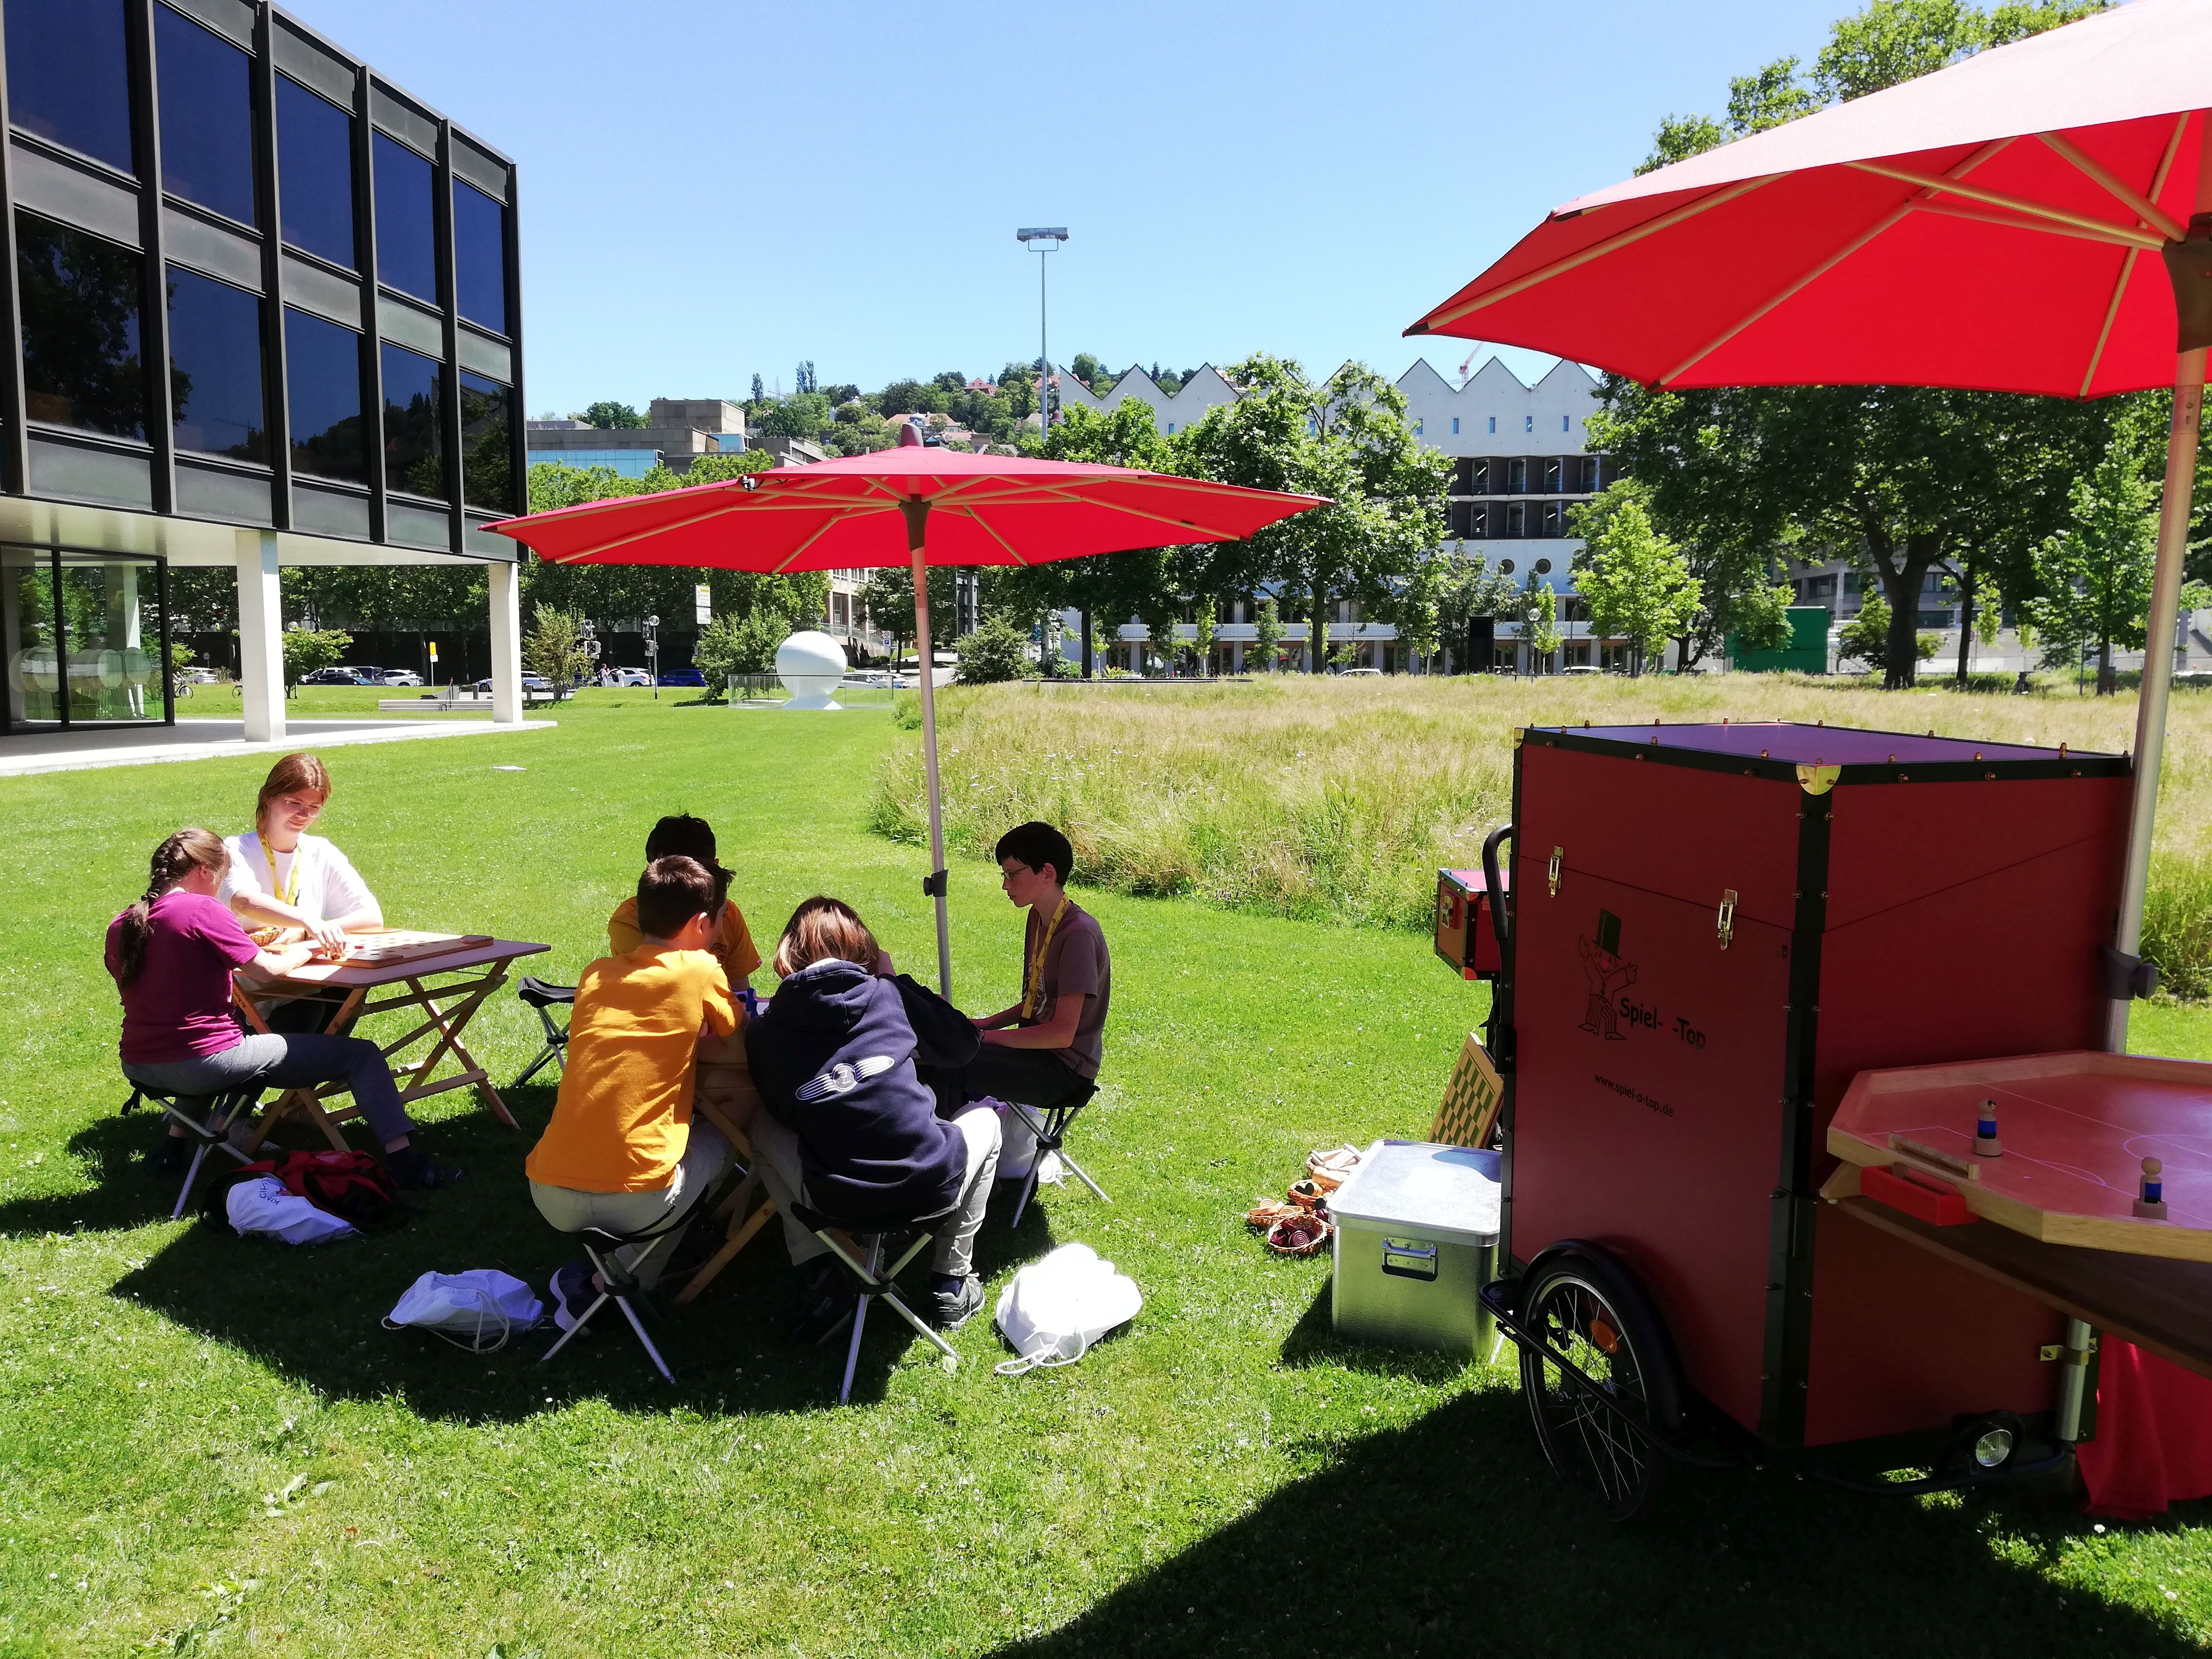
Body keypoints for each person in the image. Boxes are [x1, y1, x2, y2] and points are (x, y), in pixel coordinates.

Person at [107, 828, 459, 1189]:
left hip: (141, 1064)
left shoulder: (123, 923)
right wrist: (311, 949)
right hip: (204, 1063)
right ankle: (408, 1164)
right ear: (204, 871)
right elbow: (268, 971)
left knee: (198, 1049)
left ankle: (172, 1150)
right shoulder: (202, 910)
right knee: (363, 1056)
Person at [745, 898, 1000, 1334]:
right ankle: (951, 1281)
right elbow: (963, 1045)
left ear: (788, 955)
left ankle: (824, 1272)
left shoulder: (765, 1028)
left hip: (837, 1198)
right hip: (930, 1186)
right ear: (864, 946)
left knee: (760, 1128)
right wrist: (894, 976)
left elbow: (781, 1110)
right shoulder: (888, 993)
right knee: (988, 1121)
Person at [527, 855, 738, 1330]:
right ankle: (618, 1283)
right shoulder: (701, 969)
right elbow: (738, 1044)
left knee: (654, 1168)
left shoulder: (595, 974)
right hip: (640, 1200)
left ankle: (598, 1277)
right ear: (703, 923)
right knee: (723, 1140)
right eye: (723, 919)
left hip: (549, 1190)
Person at [965, 821, 1111, 1177]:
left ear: (1047, 872)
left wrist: (986, 1039)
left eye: (1013, 874)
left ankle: (966, 1172)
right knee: (952, 1050)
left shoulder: (1078, 933)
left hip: (1064, 1069)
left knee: (957, 1061)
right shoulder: (1038, 917)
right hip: (1039, 1053)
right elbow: (1037, 1001)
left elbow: (1061, 1033)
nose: (1005, 885)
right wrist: (984, 1025)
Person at [220, 753, 382, 1034]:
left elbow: (371, 916)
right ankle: (302, 1074)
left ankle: (316, 1075)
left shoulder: (321, 851)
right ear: (269, 798)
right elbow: (244, 900)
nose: (304, 815)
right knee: (311, 1005)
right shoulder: (236, 850)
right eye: (294, 803)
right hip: (246, 989)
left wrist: (312, 931)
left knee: (349, 989)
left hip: (302, 978)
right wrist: (306, 921)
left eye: (314, 807)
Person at [606, 814, 760, 988]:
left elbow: (741, 992)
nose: (679, 886)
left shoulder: (726, 913)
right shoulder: (629, 921)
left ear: (714, 868)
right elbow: (653, 990)